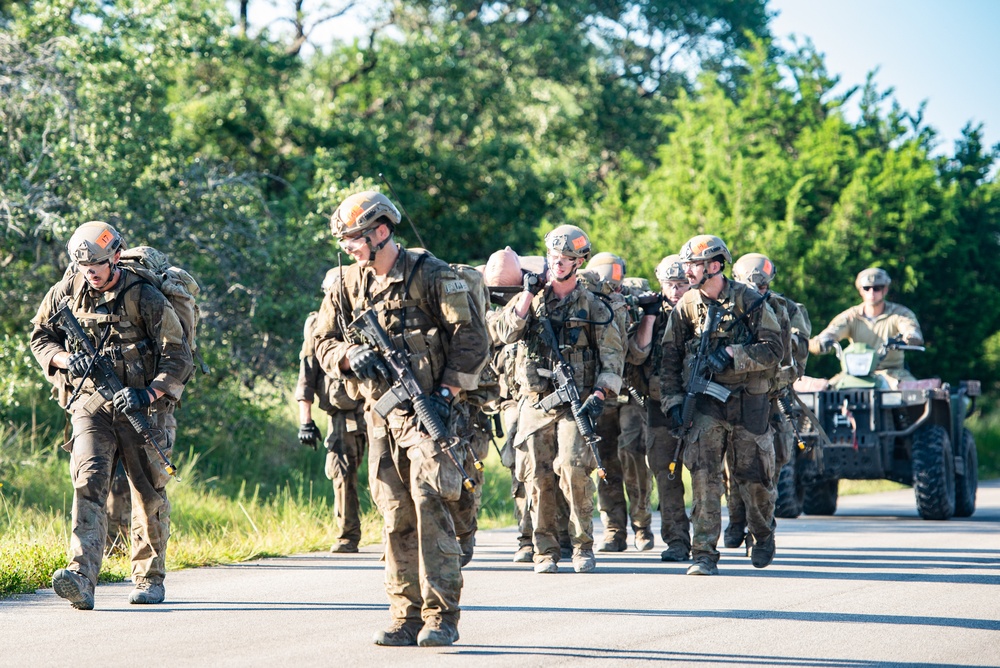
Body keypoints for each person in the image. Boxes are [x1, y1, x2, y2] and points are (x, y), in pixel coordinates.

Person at [311, 191, 489, 648]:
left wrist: (448, 392)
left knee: (432, 507)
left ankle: (441, 616)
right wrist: (350, 356)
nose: (348, 247)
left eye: (354, 238)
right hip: (381, 418)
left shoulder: (431, 274)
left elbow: (470, 337)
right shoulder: (346, 284)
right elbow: (322, 343)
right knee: (395, 516)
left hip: (432, 412)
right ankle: (404, 614)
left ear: (382, 232)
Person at [30, 221, 193, 609]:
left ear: (115, 256)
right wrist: (66, 359)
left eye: (98, 266)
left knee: (147, 490)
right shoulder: (67, 290)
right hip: (90, 403)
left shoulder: (145, 296)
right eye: (85, 267)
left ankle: (149, 579)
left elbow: (178, 356)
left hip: (144, 408)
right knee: (88, 481)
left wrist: (147, 392)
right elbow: (40, 337)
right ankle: (81, 578)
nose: (92, 274)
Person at [492, 225, 625, 575]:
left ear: (579, 261)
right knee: (536, 475)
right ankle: (545, 549)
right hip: (536, 401)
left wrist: (600, 392)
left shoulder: (594, 305)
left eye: (567, 259)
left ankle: (582, 546)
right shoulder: (531, 298)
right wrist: (525, 295)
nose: (559, 264)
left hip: (574, 402)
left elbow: (612, 356)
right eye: (554, 258)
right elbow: (504, 333)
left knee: (571, 468)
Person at [659, 235, 783, 575]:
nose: (687, 271)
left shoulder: (749, 301)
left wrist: (733, 354)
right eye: (686, 265)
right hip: (705, 405)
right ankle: (704, 553)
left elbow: (774, 349)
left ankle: (762, 534)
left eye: (694, 265)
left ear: (714, 266)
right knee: (704, 478)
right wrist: (673, 402)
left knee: (753, 479)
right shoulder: (686, 304)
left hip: (748, 402)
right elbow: (668, 357)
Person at [726, 253, 810, 550]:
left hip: (776, 396)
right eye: (753, 286)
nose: (758, 292)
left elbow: (797, 351)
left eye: (763, 287)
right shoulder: (728, 308)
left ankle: (760, 529)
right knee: (734, 465)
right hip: (739, 396)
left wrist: (774, 331)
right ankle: (738, 519)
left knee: (771, 463)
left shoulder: (786, 308)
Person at [581, 253, 655, 552]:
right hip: (597, 395)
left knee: (632, 453)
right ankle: (613, 529)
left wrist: (645, 316)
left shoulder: (631, 302)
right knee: (604, 461)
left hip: (629, 392)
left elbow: (638, 354)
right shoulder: (584, 302)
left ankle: (642, 525)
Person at [296, 268, 367, 553]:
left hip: (378, 406)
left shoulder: (368, 317)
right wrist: (306, 421)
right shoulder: (318, 325)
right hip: (342, 412)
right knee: (341, 472)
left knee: (388, 473)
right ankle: (348, 535)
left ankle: (397, 536)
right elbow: (307, 374)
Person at [637, 254, 693, 562]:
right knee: (666, 476)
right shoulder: (651, 313)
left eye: (681, 284)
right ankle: (677, 541)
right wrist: (647, 317)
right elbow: (636, 354)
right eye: (670, 285)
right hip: (659, 406)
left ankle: (707, 539)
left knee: (705, 475)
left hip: (700, 405)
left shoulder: (703, 311)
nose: (675, 291)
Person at [808, 268, 923, 387]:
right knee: (826, 391)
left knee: (914, 395)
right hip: (854, 373)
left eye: (877, 288)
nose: (871, 292)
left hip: (892, 372)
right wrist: (822, 341)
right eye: (866, 288)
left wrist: (910, 337)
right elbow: (833, 331)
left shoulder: (899, 313)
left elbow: (910, 328)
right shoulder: (851, 316)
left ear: (885, 290)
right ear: (860, 291)